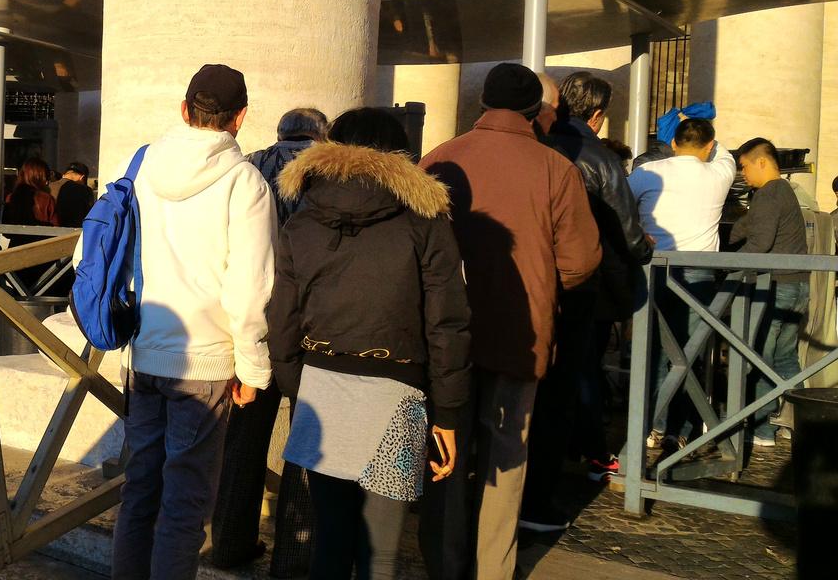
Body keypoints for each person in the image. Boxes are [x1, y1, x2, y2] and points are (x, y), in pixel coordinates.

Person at [267, 108, 471, 580]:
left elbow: (282, 316)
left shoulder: (304, 219)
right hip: (397, 393)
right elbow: (447, 323)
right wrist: (449, 412)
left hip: (321, 387)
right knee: (380, 553)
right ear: (400, 155)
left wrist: (297, 384)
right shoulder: (426, 220)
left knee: (330, 538)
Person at [88, 63, 275, 580]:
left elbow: (102, 249)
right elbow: (249, 289)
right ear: (240, 117)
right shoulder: (245, 182)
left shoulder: (141, 165)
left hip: (144, 354)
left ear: (184, 110)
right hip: (205, 363)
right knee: (185, 505)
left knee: (140, 491)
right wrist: (253, 370)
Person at [420, 63, 600, 580]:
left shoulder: (441, 158)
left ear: (483, 103)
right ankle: (492, 569)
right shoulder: (555, 168)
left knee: (444, 448)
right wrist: (543, 283)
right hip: (521, 333)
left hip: (444, 334)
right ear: (536, 112)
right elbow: (582, 260)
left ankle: (444, 563)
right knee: (506, 454)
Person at [521, 73, 654, 531]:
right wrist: (642, 250)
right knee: (576, 378)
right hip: (584, 288)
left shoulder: (537, 148)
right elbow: (628, 233)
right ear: (597, 115)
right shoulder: (598, 159)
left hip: (532, 282)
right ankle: (583, 460)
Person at [210, 106, 328, 575]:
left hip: (255, 326)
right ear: (321, 135)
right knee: (307, 439)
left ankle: (228, 543)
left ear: (280, 133)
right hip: (311, 328)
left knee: (243, 438)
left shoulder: (248, 168)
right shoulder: (329, 172)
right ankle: (294, 558)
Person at [627, 118, 736, 450]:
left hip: (653, 270)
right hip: (699, 275)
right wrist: (707, 135)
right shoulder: (719, 173)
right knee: (690, 353)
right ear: (708, 146)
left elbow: (621, 206)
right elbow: (723, 152)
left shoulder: (647, 172)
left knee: (652, 350)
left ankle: (651, 424)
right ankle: (681, 427)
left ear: (672, 143)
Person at [731, 138, 809, 447]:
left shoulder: (767, 194)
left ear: (761, 161)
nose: (743, 173)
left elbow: (759, 243)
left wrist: (727, 266)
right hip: (799, 285)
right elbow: (750, 227)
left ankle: (763, 430)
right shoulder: (786, 191)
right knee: (786, 358)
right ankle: (797, 423)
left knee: (762, 358)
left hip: (776, 287)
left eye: (744, 166)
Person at [245, 108, 329, 224]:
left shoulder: (251, 161)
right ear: (323, 134)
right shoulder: (331, 164)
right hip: (312, 233)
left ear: (279, 134)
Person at [2, 157, 59, 290]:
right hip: (42, 257)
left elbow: (6, 231)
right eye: (46, 177)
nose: (47, 181)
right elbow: (58, 231)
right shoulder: (47, 199)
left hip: (16, 255)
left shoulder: (11, 198)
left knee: (19, 291)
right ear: (39, 177)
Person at [50, 161, 95, 228]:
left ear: (64, 175)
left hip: (49, 231)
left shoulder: (49, 187)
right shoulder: (84, 190)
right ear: (82, 178)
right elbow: (90, 216)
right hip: (74, 232)